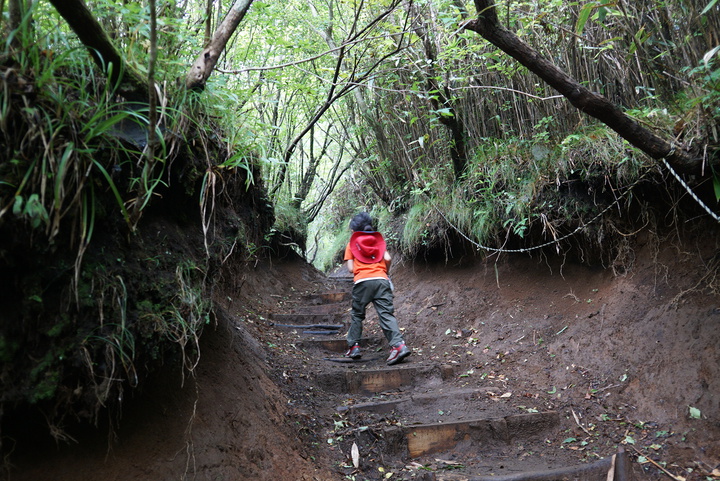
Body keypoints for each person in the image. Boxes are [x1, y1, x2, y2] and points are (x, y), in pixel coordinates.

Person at [343, 212, 411, 365]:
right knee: (386, 314)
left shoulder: (351, 244)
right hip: (381, 279)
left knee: (357, 315)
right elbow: (387, 258)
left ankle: (354, 347)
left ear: (355, 230)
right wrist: (383, 271)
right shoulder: (378, 241)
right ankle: (399, 346)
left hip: (362, 282)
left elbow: (350, 268)